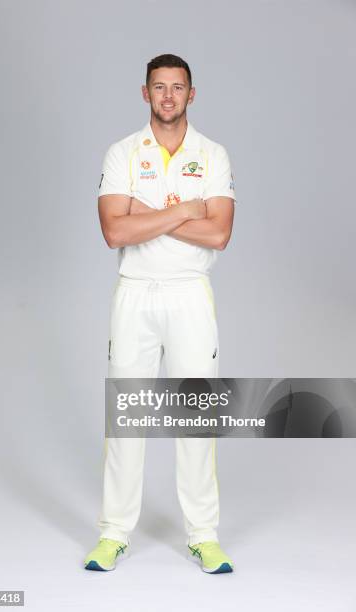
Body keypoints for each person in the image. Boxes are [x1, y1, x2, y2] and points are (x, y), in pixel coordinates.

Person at [84, 53, 236, 574]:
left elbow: (218, 233)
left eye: (177, 87)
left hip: (190, 292)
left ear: (192, 94)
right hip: (135, 293)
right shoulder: (122, 152)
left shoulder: (212, 154)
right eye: (158, 87)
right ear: (144, 93)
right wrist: (183, 210)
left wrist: (146, 214)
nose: (168, 96)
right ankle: (113, 534)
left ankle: (204, 535)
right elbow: (114, 232)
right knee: (127, 416)